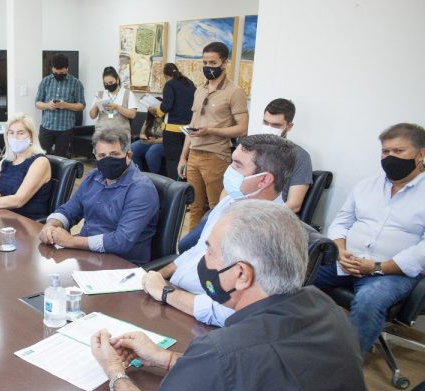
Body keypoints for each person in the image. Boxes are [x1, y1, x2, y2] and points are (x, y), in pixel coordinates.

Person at [91, 200, 369, 391]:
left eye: (210, 251)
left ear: (242, 275)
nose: (203, 261)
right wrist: (165, 358)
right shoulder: (327, 309)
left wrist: (115, 371)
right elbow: (250, 382)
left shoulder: (222, 352)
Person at [143, 135, 296, 326]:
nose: (229, 170)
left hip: (200, 320)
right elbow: (198, 250)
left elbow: (233, 313)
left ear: (263, 179)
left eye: (237, 165)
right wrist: (157, 275)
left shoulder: (272, 233)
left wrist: (167, 293)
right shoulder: (232, 201)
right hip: (173, 294)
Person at [314, 123, 425, 354]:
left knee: (370, 300)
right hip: (347, 262)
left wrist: (377, 267)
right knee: (297, 275)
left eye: (398, 151)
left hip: (392, 272)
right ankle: (291, 337)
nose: (389, 157)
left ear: (420, 154)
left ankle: (346, 362)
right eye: (385, 151)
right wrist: (340, 251)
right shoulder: (366, 186)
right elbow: (341, 222)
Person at [177, 98, 313, 253]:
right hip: (233, 211)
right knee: (186, 245)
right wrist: (225, 211)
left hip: (261, 220)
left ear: (289, 126)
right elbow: (229, 187)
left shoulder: (299, 157)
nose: (269, 128)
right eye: (265, 122)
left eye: (275, 125)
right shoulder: (250, 149)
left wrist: (250, 219)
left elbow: (294, 204)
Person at [38, 127, 158, 265]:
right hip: (86, 255)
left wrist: (72, 241)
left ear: (128, 156)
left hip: (122, 264)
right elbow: (69, 210)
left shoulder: (141, 189)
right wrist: (50, 225)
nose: (108, 160)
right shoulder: (94, 176)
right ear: (95, 156)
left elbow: (121, 241)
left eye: (114, 154)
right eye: (102, 155)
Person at [177, 42, 248, 229]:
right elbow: (192, 125)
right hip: (194, 155)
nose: (208, 67)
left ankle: (215, 245)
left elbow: (242, 129)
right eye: (205, 63)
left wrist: (211, 130)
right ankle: (194, 244)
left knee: (218, 208)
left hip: (216, 156)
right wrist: (183, 157)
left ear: (224, 63)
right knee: (194, 207)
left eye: (213, 63)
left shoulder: (235, 92)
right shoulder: (199, 90)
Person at [148, 63, 195, 179]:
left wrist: (156, 111)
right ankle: (185, 187)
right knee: (186, 160)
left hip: (172, 130)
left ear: (165, 75)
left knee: (173, 162)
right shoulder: (190, 84)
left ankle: (175, 187)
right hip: (188, 130)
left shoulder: (169, 84)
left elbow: (167, 106)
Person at [34, 53, 85, 156]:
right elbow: (37, 103)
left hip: (65, 129)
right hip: (46, 126)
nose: (58, 75)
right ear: (52, 68)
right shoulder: (45, 82)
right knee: (40, 156)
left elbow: (81, 106)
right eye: (55, 73)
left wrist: (66, 105)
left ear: (67, 68)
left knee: (61, 159)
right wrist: (48, 105)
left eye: (61, 73)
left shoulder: (76, 83)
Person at [89, 66, 137, 137]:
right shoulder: (100, 94)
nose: (108, 85)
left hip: (121, 133)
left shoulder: (128, 94)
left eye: (111, 82)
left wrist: (117, 107)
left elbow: (132, 114)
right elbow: (92, 116)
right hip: (102, 132)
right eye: (106, 83)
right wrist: (96, 104)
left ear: (117, 80)